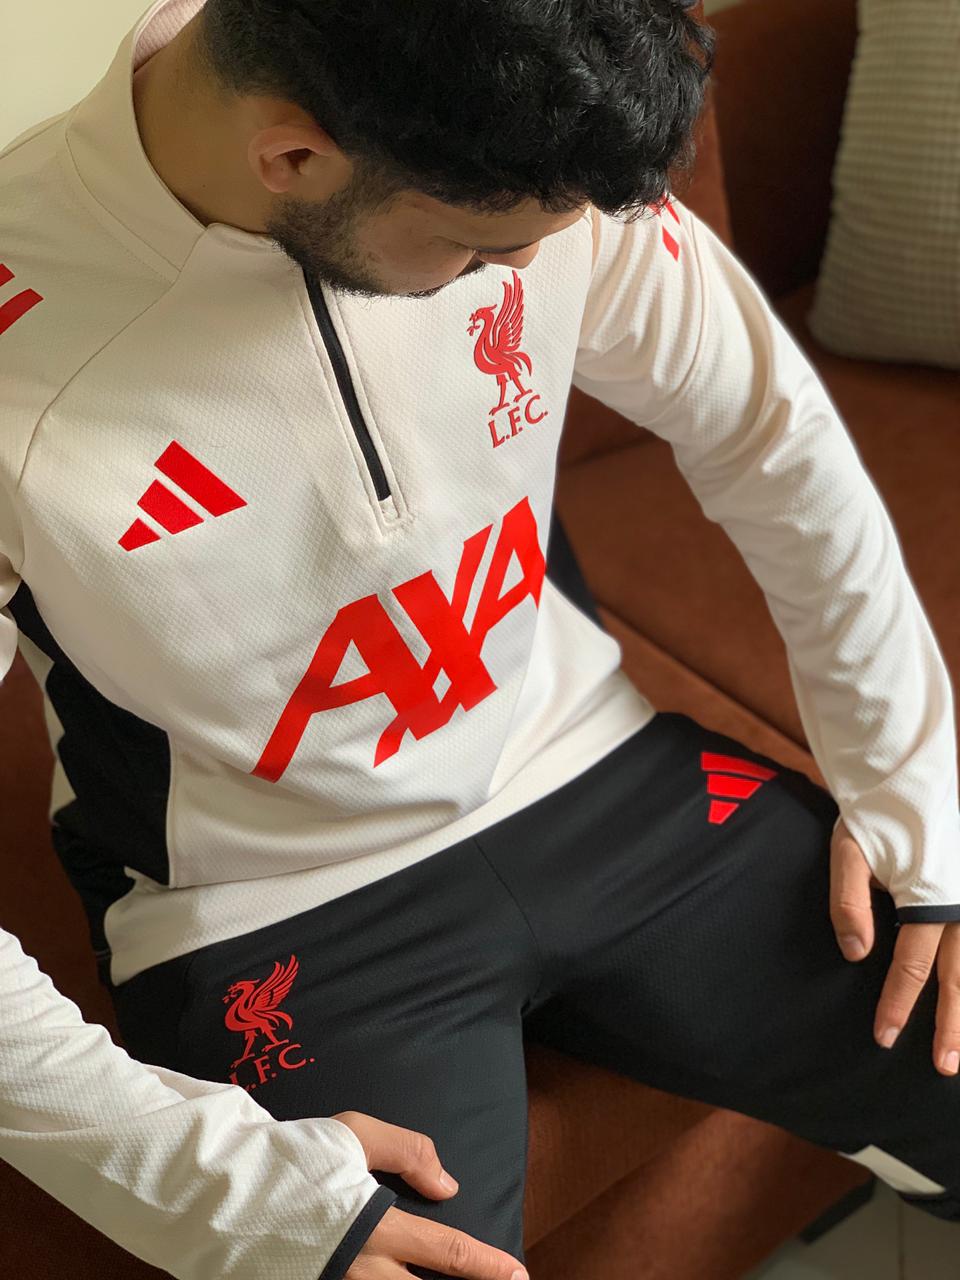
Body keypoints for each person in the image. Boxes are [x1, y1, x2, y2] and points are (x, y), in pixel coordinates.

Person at [1, 0, 958, 1277]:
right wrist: (212, 1188)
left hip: (593, 765)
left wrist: (910, 783)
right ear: (294, 155)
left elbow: (768, 430)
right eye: (481, 249)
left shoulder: (536, 149)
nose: (528, 277)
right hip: (271, 902)